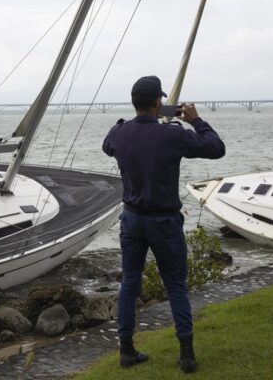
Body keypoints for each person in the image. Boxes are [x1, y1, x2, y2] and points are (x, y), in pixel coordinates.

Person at [102, 75, 225, 373]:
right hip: (164, 221)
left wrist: (129, 126)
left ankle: (126, 350)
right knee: (176, 286)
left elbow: (108, 147)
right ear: (159, 103)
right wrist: (195, 121)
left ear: (134, 103)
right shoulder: (172, 135)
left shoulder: (118, 133)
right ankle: (186, 355)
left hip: (131, 219)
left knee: (130, 283)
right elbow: (216, 148)